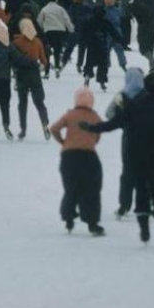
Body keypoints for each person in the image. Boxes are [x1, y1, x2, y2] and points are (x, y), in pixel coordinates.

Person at [82, 74, 154, 251]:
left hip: (134, 154)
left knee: (141, 190)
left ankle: (144, 231)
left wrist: (90, 128)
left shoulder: (131, 109)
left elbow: (111, 124)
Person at [50, 88, 106, 236]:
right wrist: (91, 141)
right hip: (88, 157)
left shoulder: (70, 115)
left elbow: (54, 128)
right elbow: (98, 134)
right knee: (92, 189)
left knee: (71, 187)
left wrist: (63, 141)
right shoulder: (94, 117)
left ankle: (68, 218)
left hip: (68, 156)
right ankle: (92, 224)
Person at [0, 24, 36, 140]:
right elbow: (19, 59)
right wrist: (32, 63)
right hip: (3, 78)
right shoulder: (8, 47)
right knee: (4, 103)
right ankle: (6, 126)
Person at [106, 68, 146, 219]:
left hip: (129, 139)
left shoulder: (121, 95)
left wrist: (121, 120)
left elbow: (109, 113)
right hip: (148, 140)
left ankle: (124, 205)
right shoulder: (148, 94)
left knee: (128, 173)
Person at [13, 19, 51, 141]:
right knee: (40, 103)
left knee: (22, 103)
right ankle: (44, 122)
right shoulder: (38, 42)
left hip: (21, 75)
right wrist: (42, 65)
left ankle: (23, 130)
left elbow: (13, 60)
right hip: (35, 75)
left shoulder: (16, 42)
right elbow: (44, 61)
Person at [82, 5, 123, 91]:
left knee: (89, 63)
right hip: (102, 44)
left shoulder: (89, 21)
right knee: (103, 64)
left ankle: (87, 76)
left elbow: (83, 32)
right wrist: (120, 40)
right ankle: (102, 81)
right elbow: (113, 32)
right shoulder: (105, 22)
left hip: (91, 45)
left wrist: (84, 41)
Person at [37, 0, 75, 79]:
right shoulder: (61, 9)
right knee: (57, 51)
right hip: (59, 32)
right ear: (56, 0)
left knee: (47, 52)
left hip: (48, 32)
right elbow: (66, 19)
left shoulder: (44, 9)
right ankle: (57, 67)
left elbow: (39, 21)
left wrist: (41, 29)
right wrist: (71, 29)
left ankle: (46, 72)